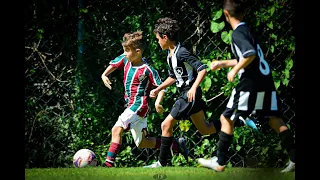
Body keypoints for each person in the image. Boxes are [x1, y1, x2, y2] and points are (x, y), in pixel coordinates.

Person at [197, 0, 295, 173]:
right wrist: (223, 63)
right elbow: (249, 57)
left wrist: (233, 71)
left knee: (226, 118)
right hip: (266, 80)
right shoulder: (247, 30)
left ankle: (219, 162)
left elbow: (248, 54)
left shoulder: (237, 34)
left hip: (250, 83)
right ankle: (294, 158)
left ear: (226, 15)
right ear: (243, 13)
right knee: (275, 119)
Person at [101, 31, 187, 167]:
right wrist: (104, 74)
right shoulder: (126, 59)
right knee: (143, 143)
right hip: (132, 106)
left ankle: (108, 164)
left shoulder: (147, 70)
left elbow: (161, 87)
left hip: (139, 105)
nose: (124, 53)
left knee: (116, 129)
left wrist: (158, 102)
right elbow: (114, 64)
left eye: (127, 51)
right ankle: (177, 145)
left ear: (138, 51)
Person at [143, 17, 221, 168]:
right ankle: (237, 120)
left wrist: (193, 88)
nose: (157, 42)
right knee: (205, 129)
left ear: (165, 37)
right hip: (188, 94)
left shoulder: (182, 52)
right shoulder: (171, 55)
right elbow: (174, 76)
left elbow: (202, 69)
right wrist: (158, 88)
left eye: (158, 39)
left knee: (166, 125)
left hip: (188, 94)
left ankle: (161, 162)